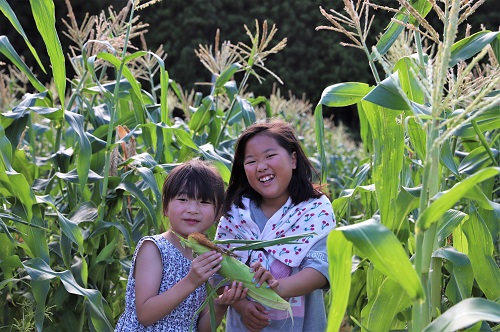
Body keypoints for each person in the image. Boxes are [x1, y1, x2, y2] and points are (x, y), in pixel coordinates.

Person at [215, 119, 336, 332]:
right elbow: (220, 272)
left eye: (270, 156)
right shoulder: (236, 213)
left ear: (293, 160)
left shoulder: (315, 209)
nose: (261, 167)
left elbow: (320, 269)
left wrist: (278, 287)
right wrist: (241, 306)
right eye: (250, 161)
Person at [115, 159, 249, 331]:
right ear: (165, 207)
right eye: (183, 199)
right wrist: (191, 281)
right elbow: (145, 315)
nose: (193, 209)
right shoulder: (154, 248)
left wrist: (221, 305)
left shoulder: (207, 257)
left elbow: (201, 327)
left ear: (218, 212)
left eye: (204, 201)